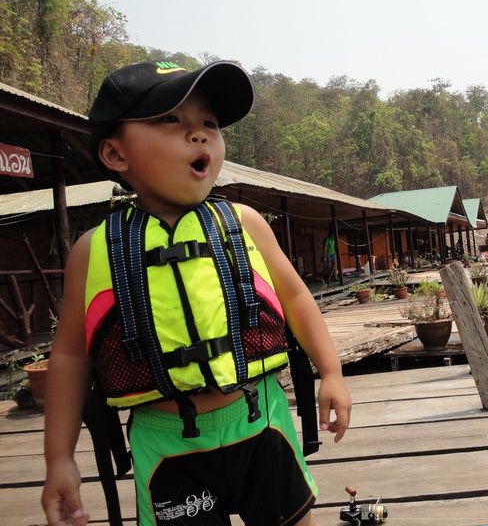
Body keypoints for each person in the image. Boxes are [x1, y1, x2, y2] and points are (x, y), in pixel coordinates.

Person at [41, 60, 352, 526]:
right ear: (115, 154)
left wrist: (332, 371)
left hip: (259, 419)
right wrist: (58, 460)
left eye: (208, 122)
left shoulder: (245, 223)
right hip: (166, 444)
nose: (199, 134)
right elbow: (68, 356)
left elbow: (296, 299)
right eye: (171, 119)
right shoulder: (93, 251)